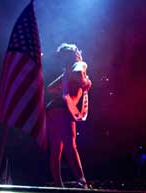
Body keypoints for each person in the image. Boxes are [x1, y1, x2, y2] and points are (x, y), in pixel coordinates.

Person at [46, 43, 92, 188]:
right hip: (62, 110)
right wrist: (84, 82)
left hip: (52, 109)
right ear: (75, 54)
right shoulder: (80, 65)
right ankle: (81, 180)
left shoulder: (66, 72)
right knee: (70, 145)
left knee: (56, 149)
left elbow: (49, 89)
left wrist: (65, 88)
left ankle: (58, 184)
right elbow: (79, 72)